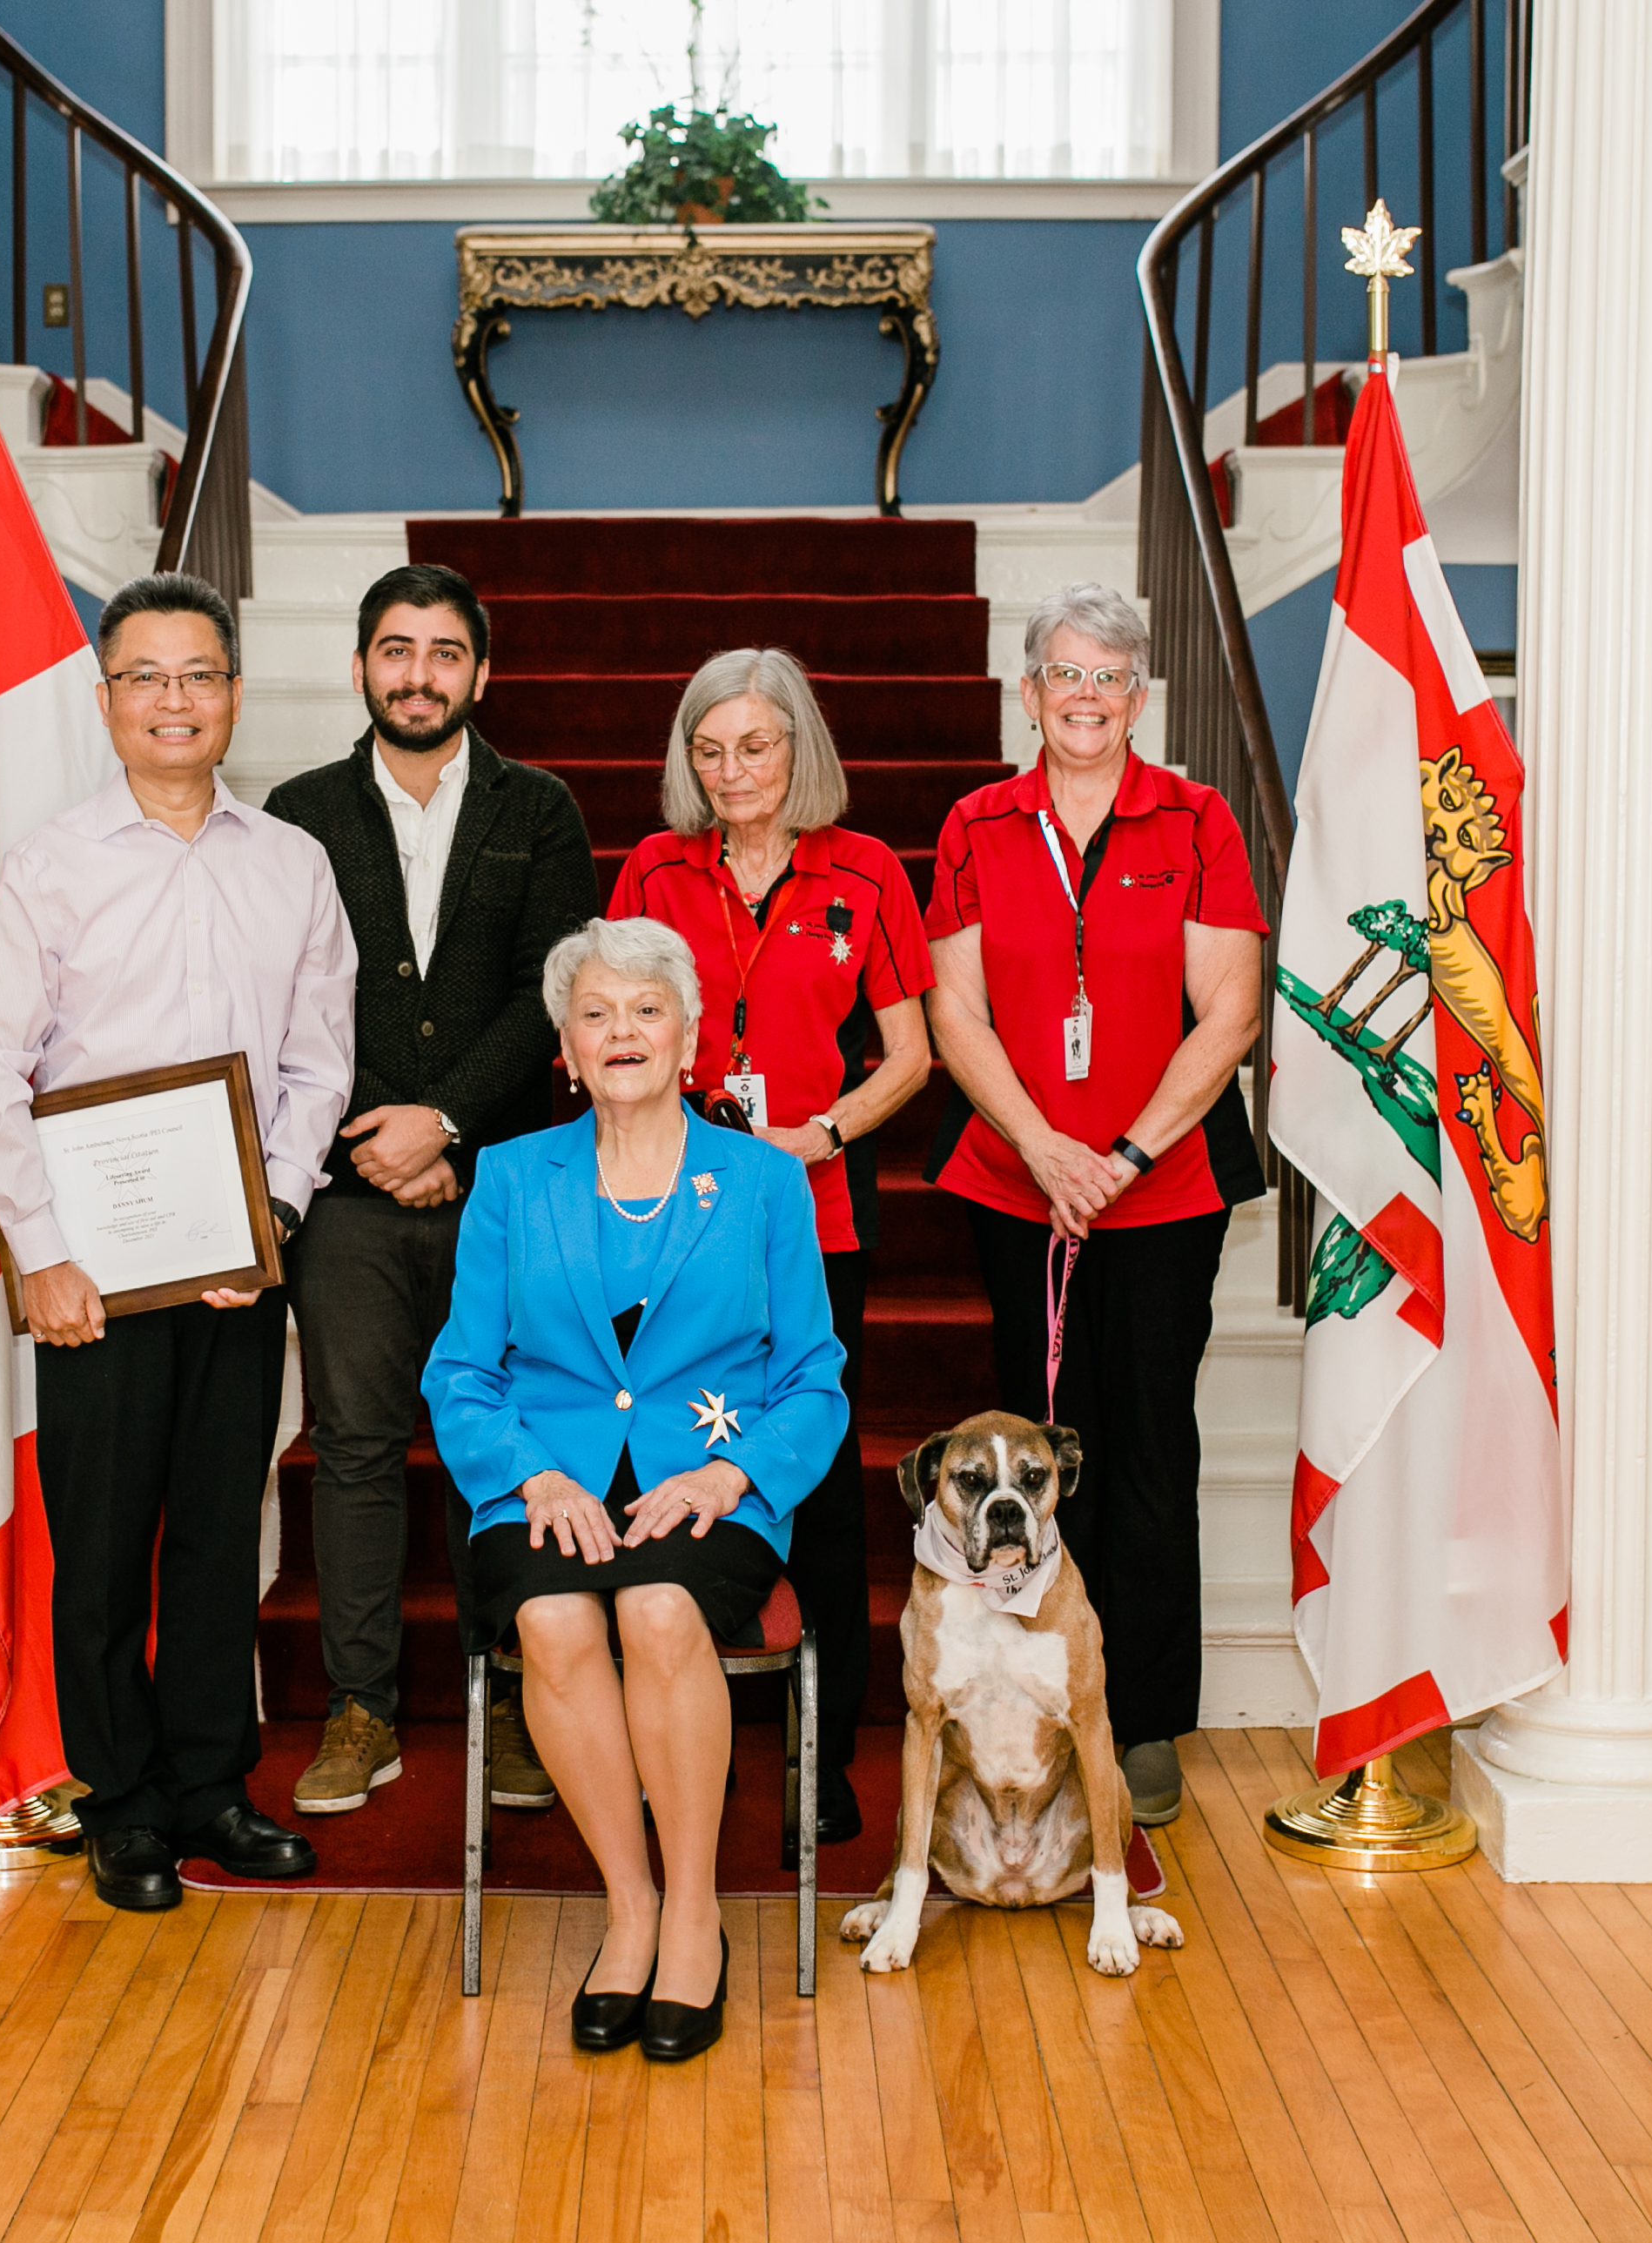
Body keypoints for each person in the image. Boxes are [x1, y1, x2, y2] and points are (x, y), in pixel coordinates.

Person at [0, 570, 356, 1912]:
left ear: (234, 694)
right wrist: (47, 1252)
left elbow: (316, 1066)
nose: (174, 700)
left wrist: (277, 1210)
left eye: (199, 675)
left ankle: (209, 1785)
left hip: (240, 1264)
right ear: (107, 699)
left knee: (215, 1538)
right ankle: (120, 1800)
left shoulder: (292, 865)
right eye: (146, 677)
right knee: (107, 1542)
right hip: (95, 1280)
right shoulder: (52, 865)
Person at [426, 919, 845, 2063]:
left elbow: (815, 1376)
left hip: (709, 1479)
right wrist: (528, 1470)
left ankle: (696, 1913)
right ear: (563, 1046)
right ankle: (631, 1910)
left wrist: (733, 1468)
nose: (623, 1032)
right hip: (544, 1476)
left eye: (646, 1010)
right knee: (554, 1616)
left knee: (657, 1609)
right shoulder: (512, 1178)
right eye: (597, 1014)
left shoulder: (762, 1180)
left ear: (690, 1033)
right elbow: (460, 1371)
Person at [922, 582, 1266, 1828]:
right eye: (1064, 674)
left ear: (1137, 699)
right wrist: (1042, 1147)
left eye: (1109, 678)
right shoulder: (974, 821)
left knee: (1146, 1440)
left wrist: (1115, 1152)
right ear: (1028, 693)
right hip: (1020, 1185)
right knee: (1035, 1446)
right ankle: (1028, 1689)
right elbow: (953, 1011)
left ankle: (1144, 1713)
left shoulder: (1196, 817)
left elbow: (1228, 1007)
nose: (1085, 696)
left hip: (1163, 1183)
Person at [264, 564, 597, 1820]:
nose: (418, 673)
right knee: (353, 1446)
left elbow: (548, 984)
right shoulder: (296, 811)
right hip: (345, 1187)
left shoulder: (540, 808)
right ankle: (362, 1707)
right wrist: (376, 1135)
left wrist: (448, 1119)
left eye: (443, 651)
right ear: (359, 669)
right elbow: (287, 994)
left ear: (479, 673)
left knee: (504, 1451)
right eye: (394, 650)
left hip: (501, 1181)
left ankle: (515, 1693)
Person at [603, 647, 931, 1843]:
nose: (731, 769)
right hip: (664, 1220)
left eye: (755, 745)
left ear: (799, 750)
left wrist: (823, 1131)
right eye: (708, 748)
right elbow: (612, 1028)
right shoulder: (651, 868)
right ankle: (653, 1743)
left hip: (812, 1214)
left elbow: (910, 1053)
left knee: (811, 1478)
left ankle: (822, 1750)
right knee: (655, 1456)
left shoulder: (864, 872)